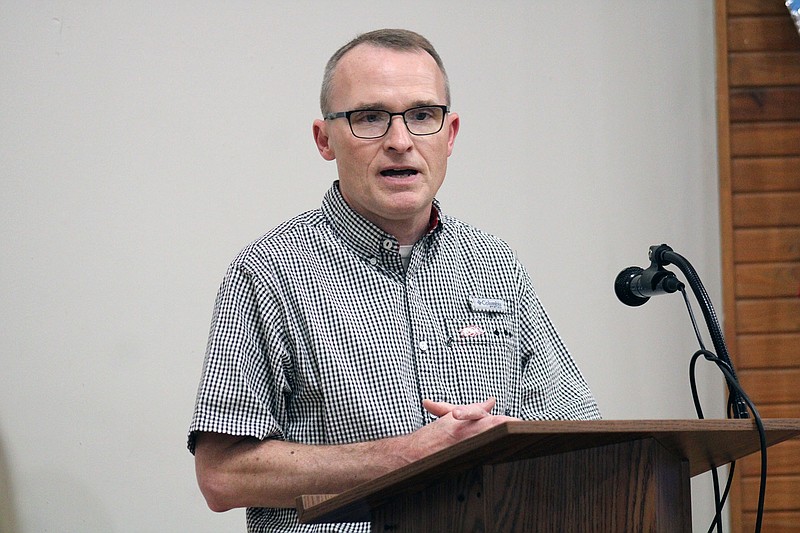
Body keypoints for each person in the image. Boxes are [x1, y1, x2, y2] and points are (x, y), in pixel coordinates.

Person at [188, 28, 601, 533]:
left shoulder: (495, 264)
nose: (400, 141)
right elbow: (222, 475)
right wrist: (406, 455)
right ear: (324, 139)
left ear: (449, 135)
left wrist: (507, 440)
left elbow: (576, 432)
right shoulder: (268, 272)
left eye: (422, 116)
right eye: (370, 118)